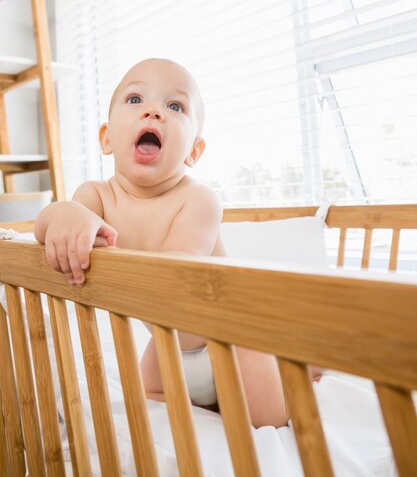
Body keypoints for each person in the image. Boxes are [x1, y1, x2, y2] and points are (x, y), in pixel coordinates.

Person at [35, 57, 318, 428]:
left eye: (175, 106)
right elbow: (46, 226)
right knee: (150, 404)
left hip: (231, 338)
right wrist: (64, 215)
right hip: (167, 343)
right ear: (106, 137)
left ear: (193, 152)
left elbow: (174, 270)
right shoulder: (96, 197)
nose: (153, 112)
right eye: (135, 100)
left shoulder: (199, 200)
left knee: (270, 418)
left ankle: (303, 362)